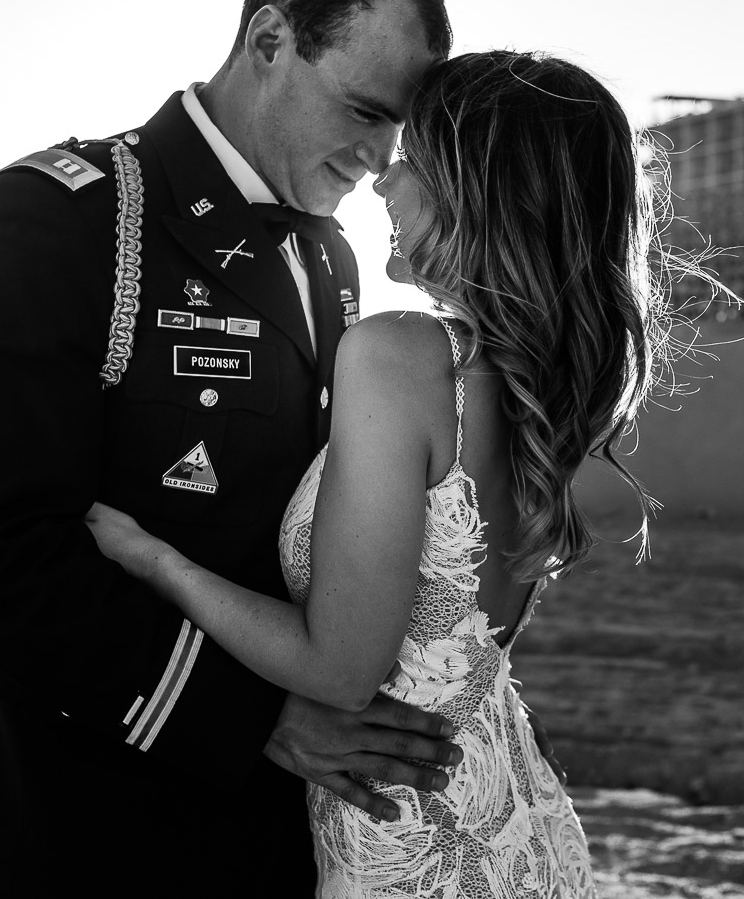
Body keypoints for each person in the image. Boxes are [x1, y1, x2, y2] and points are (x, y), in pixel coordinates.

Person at [0, 0, 463, 896]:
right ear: (269, 41)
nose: (382, 159)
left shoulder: (329, 256)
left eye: (399, 128)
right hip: (74, 830)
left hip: (268, 842)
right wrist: (253, 716)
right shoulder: (69, 215)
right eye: (365, 111)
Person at [85, 50, 682, 897]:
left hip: (413, 839)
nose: (380, 181)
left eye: (411, 161)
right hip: (515, 815)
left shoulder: (401, 355)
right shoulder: (526, 383)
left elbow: (337, 669)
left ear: (474, 191)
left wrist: (156, 561)